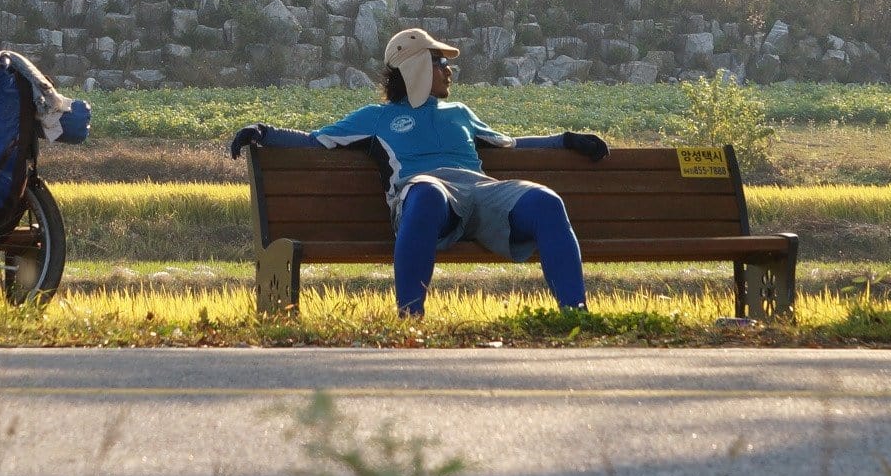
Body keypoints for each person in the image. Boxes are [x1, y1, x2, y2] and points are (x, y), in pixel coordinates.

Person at [229, 27, 609, 317]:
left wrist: (566, 139)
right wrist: (265, 132)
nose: (449, 70)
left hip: (479, 191)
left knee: (546, 200)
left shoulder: (459, 113)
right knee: (427, 192)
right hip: (424, 198)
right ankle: (410, 321)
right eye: (440, 62)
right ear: (416, 67)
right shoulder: (377, 118)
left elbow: (509, 144)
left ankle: (575, 317)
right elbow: (316, 142)